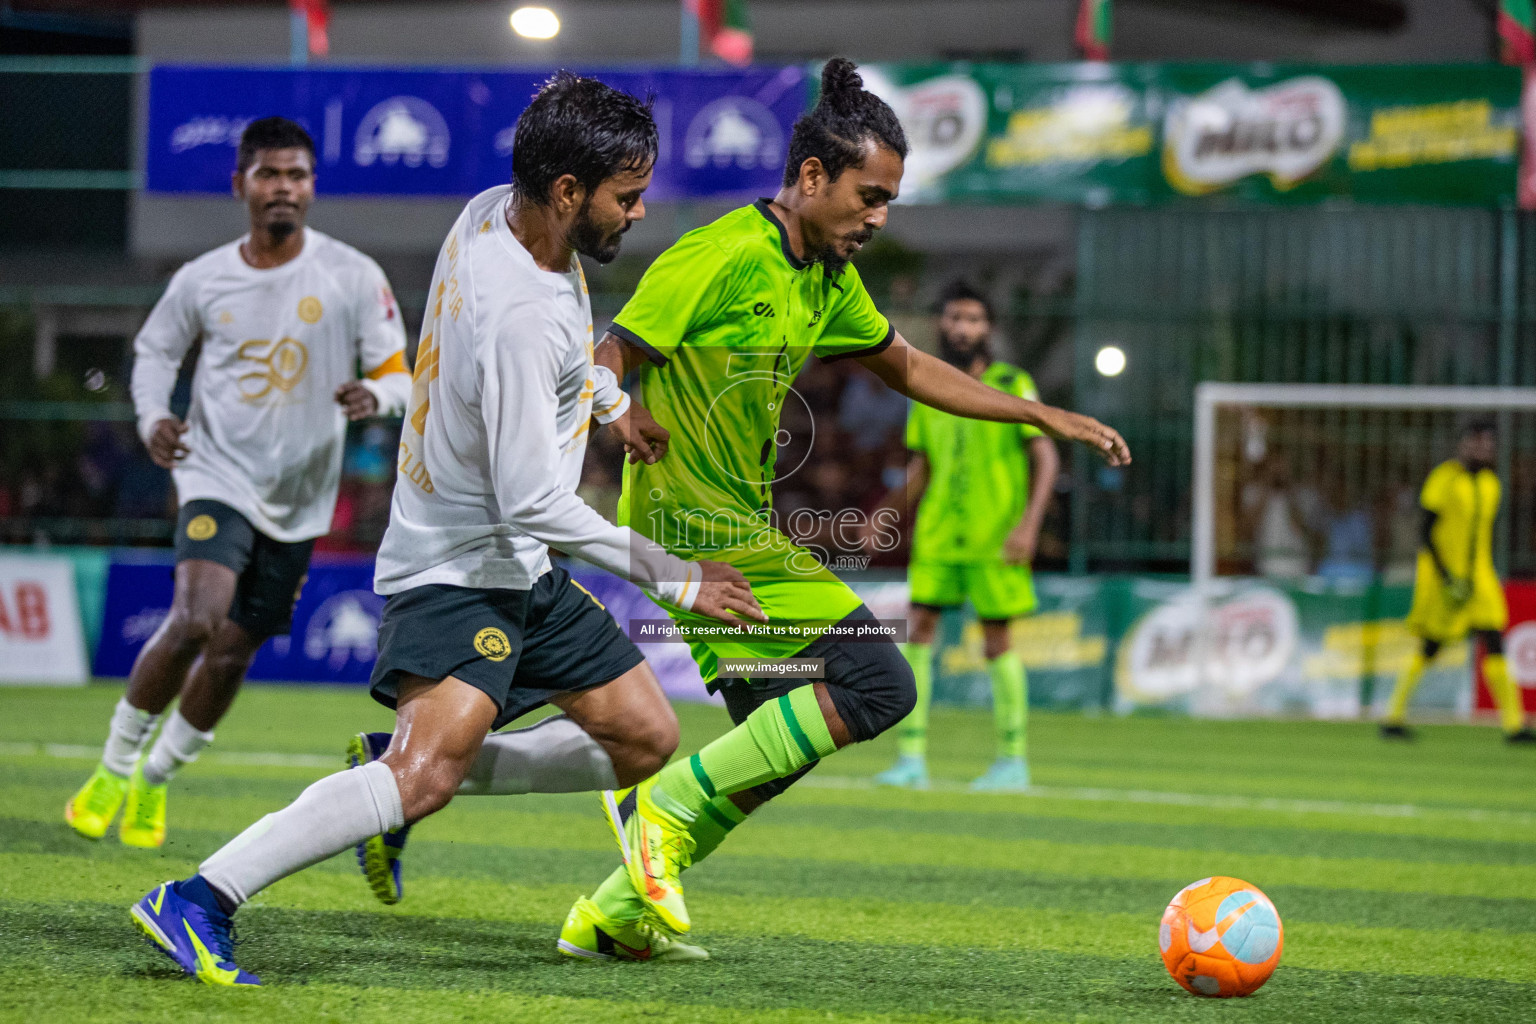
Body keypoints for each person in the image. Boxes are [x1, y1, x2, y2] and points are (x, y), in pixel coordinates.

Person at [126, 73, 761, 987]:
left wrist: (612, 400)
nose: (641, 210)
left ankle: (396, 764)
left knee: (642, 737)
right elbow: (530, 500)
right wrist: (677, 576)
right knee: (422, 779)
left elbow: (558, 379)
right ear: (569, 193)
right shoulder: (519, 318)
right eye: (628, 195)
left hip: (522, 566)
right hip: (459, 565)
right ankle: (197, 897)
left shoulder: (494, 211)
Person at [556, 58, 1130, 956]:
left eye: (890, 201)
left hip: (730, 521)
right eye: (870, 196)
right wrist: (619, 409)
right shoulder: (719, 253)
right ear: (812, 177)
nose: (879, 218)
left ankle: (612, 916)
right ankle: (652, 810)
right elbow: (608, 351)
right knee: (877, 680)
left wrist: (1034, 409)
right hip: (693, 529)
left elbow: (905, 366)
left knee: (774, 743)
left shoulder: (824, 276)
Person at [65, 117, 412, 849]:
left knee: (231, 652)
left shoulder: (352, 275)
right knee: (197, 616)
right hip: (214, 471)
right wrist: (154, 413)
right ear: (241, 185)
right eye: (269, 174)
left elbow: (397, 374)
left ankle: (155, 779)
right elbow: (155, 352)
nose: (284, 188)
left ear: (312, 187)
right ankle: (111, 767)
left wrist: (374, 398)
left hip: (301, 495)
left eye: (297, 175)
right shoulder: (203, 277)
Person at [868, 279, 1060, 792]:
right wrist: (885, 516)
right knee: (919, 632)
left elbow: (1046, 455)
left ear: (988, 328)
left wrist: (1028, 526)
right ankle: (911, 760)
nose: (962, 327)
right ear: (941, 324)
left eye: (973, 319)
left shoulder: (1011, 382)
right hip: (938, 534)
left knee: (998, 639)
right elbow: (922, 468)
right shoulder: (926, 388)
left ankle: (1013, 761)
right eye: (954, 317)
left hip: (995, 536)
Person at [1381, 421, 1533, 744]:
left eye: (1488, 443)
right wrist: (1446, 576)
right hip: (1444, 577)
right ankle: (1393, 715)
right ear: (1462, 444)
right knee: (1432, 645)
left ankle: (1514, 725)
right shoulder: (1444, 479)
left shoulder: (1492, 484)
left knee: (1494, 638)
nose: (1482, 448)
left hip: (1479, 577)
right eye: (1476, 442)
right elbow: (1426, 530)